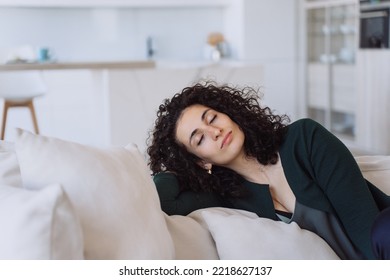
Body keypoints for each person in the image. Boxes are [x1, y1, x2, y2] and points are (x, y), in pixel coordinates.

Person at [146, 81, 390, 260]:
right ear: (200, 161)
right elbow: (164, 200)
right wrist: (180, 171)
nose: (215, 131)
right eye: (200, 140)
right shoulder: (229, 197)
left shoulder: (304, 139)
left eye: (212, 118)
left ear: (229, 114)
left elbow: (366, 228)